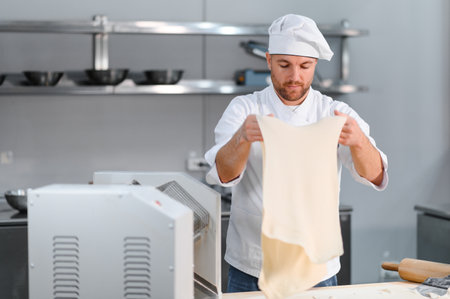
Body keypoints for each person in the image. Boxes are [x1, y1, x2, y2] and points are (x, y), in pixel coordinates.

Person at [204, 14, 388, 293]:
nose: (295, 76)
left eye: (305, 66)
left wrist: (360, 141)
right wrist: (242, 137)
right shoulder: (243, 109)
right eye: (284, 65)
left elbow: (375, 175)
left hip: (317, 267)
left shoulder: (333, 113)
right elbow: (223, 175)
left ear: (315, 65)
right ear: (268, 61)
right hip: (252, 265)